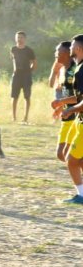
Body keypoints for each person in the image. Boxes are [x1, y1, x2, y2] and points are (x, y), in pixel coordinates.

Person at [53, 35, 83, 204]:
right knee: (72, 159)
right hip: (77, 119)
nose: (70, 48)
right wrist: (61, 104)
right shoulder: (75, 68)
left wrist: (70, 108)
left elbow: (80, 99)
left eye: (72, 46)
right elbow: (77, 97)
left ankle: (81, 195)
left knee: (71, 160)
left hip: (78, 119)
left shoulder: (79, 70)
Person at [49, 41, 76, 163]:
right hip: (67, 117)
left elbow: (79, 96)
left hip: (76, 117)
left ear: (66, 53)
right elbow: (68, 93)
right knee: (61, 154)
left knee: (69, 156)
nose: (55, 53)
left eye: (57, 51)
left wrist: (60, 101)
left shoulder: (75, 70)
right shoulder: (63, 70)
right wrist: (60, 107)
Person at [11, 31, 37, 123]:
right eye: (18, 37)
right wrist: (15, 69)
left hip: (26, 76)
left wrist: (28, 71)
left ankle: (25, 118)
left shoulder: (29, 50)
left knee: (27, 97)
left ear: (25, 39)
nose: (19, 39)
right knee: (14, 97)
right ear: (15, 38)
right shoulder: (13, 49)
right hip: (16, 76)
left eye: (21, 37)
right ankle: (14, 118)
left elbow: (34, 63)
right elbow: (14, 59)